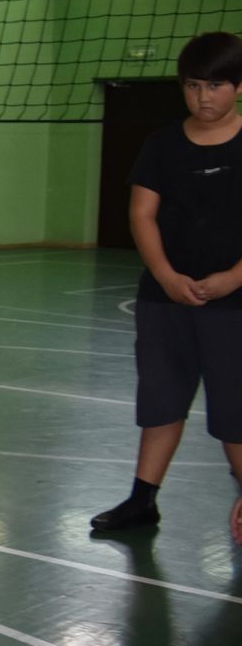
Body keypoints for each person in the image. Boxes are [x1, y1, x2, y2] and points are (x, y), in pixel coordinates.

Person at [89, 31, 242, 544]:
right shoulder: (161, 145)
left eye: (217, 85)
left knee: (234, 409)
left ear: (238, 88)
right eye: (194, 85)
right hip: (164, 301)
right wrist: (166, 276)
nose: (204, 97)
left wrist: (232, 279)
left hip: (235, 302)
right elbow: (142, 215)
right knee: (161, 400)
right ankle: (142, 499)